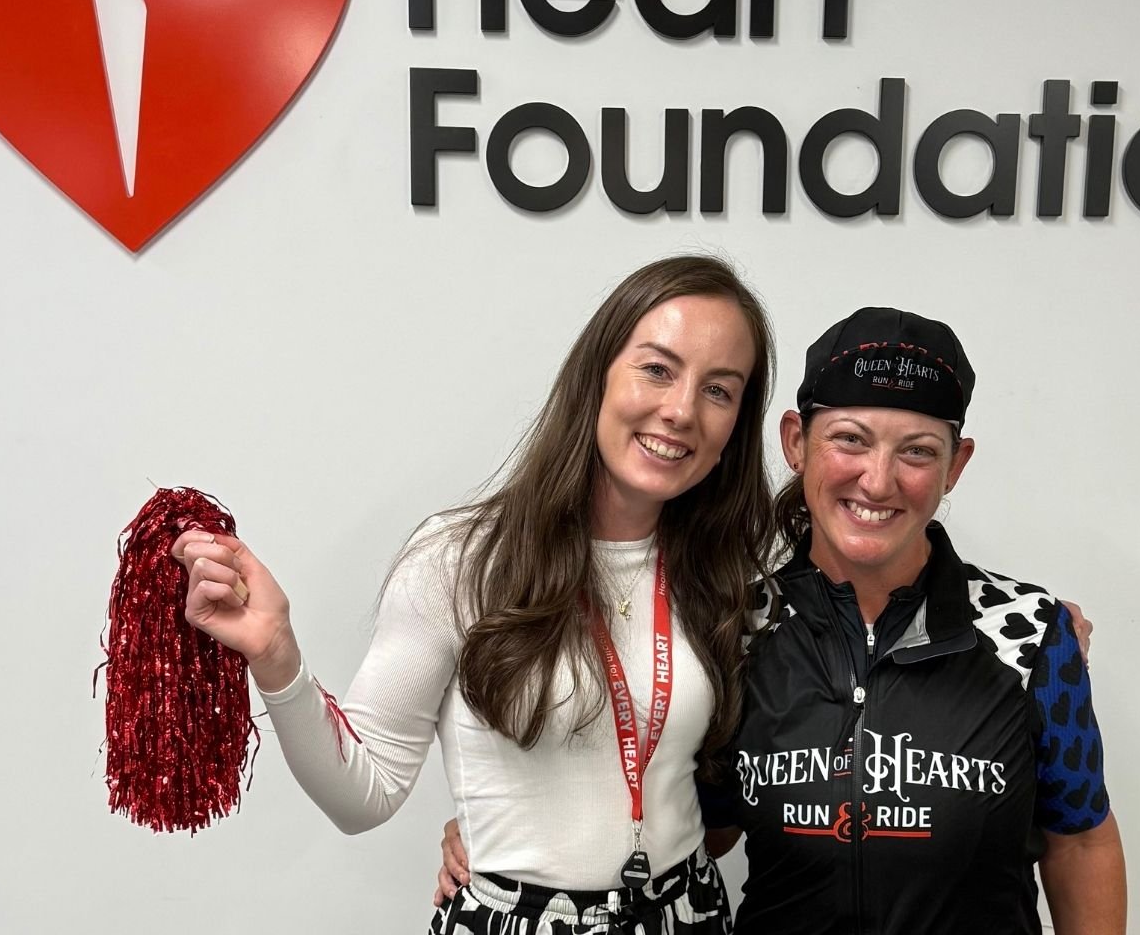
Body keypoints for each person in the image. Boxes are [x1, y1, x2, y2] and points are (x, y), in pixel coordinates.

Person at [442, 307, 1126, 934]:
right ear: (796, 442)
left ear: (956, 465)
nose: (879, 480)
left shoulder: (1030, 634)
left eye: (917, 450)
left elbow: (1083, 839)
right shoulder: (729, 626)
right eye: (850, 440)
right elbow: (685, 826)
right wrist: (514, 837)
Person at [172, 254, 778, 934]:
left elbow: (714, 786)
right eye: (658, 369)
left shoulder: (729, 574)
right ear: (596, 376)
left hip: (686, 912)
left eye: (719, 390)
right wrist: (277, 654)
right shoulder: (462, 561)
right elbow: (361, 796)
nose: (681, 410)